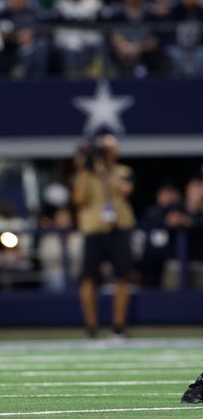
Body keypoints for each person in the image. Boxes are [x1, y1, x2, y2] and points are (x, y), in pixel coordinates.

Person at [72, 133, 136, 338]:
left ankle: (119, 326)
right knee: (88, 277)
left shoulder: (122, 171)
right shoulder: (86, 174)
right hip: (94, 229)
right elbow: (78, 199)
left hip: (119, 228)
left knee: (123, 277)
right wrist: (87, 169)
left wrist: (105, 173)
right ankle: (91, 327)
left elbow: (125, 190)